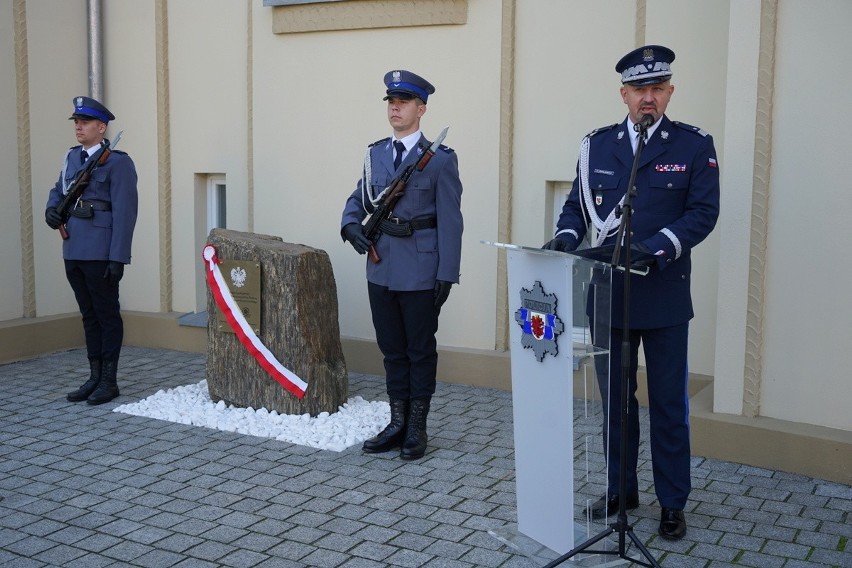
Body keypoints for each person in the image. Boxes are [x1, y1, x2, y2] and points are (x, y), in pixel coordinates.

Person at [544, 45, 720, 540]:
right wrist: (563, 239)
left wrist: (657, 248)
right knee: (615, 403)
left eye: (657, 88)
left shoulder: (692, 146)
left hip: (663, 296)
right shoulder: (597, 146)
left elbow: (702, 214)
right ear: (623, 94)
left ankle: (672, 501)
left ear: (670, 92)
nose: (649, 98)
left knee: (668, 405)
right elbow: (578, 208)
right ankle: (622, 488)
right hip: (608, 297)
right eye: (639, 89)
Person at [340, 70, 463, 461]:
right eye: (391, 101)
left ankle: (416, 428)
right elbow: (359, 196)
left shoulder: (440, 161)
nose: (395, 106)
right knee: (391, 349)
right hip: (381, 267)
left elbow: (452, 220)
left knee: (419, 351)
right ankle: (395, 422)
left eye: (404, 101)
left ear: (421, 109)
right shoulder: (375, 153)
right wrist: (349, 226)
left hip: (421, 269)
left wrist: (447, 274)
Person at [45, 96, 138, 405]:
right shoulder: (71, 157)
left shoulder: (118, 162)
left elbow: (125, 213)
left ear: (102, 127)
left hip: (101, 250)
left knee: (107, 315)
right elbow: (58, 190)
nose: (78, 127)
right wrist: (51, 210)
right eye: (76, 122)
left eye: (84, 122)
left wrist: (118, 257)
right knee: (88, 315)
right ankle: (94, 376)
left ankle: (109, 381)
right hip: (73, 247)